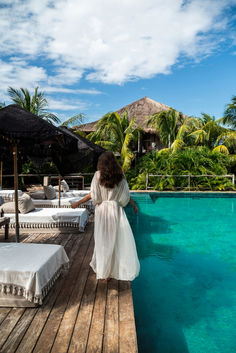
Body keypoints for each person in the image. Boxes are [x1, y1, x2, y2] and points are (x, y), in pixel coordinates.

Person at [71, 151, 140, 281]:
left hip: (103, 212)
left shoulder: (98, 175)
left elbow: (94, 195)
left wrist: (78, 202)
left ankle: (106, 271)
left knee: (103, 241)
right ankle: (113, 269)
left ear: (101, 163)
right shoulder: (120, 176)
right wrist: (133, 205)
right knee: (115, 240)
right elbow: (125, 196)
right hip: (116, 210)